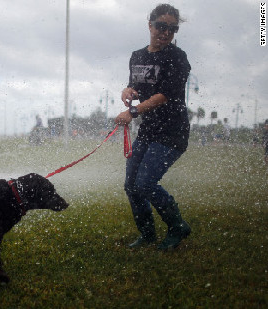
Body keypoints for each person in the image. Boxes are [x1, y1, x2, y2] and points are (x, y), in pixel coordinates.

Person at [115, 4, 191, 250]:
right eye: (161, 26)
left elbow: (165, 95)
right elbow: (136, 86)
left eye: (172, 28)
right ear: (150, 25)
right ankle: (147, 234)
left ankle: (177, 226)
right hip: (148, 130)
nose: (166, 32)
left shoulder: (177, 58)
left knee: (145, 183)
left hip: (172, 132)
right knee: (131, 185)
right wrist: (128, 92)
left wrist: (133, 111)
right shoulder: (137, 56)